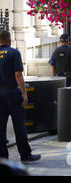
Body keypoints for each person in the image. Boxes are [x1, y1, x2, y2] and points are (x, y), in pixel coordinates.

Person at [0, 30, 41, 163]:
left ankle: (3, 158)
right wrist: (24, 94)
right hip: (12, 92)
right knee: (19, 125)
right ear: (9, 40)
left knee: (0, 128)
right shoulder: (14, 52)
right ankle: (25, 155)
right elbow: (18, 74)